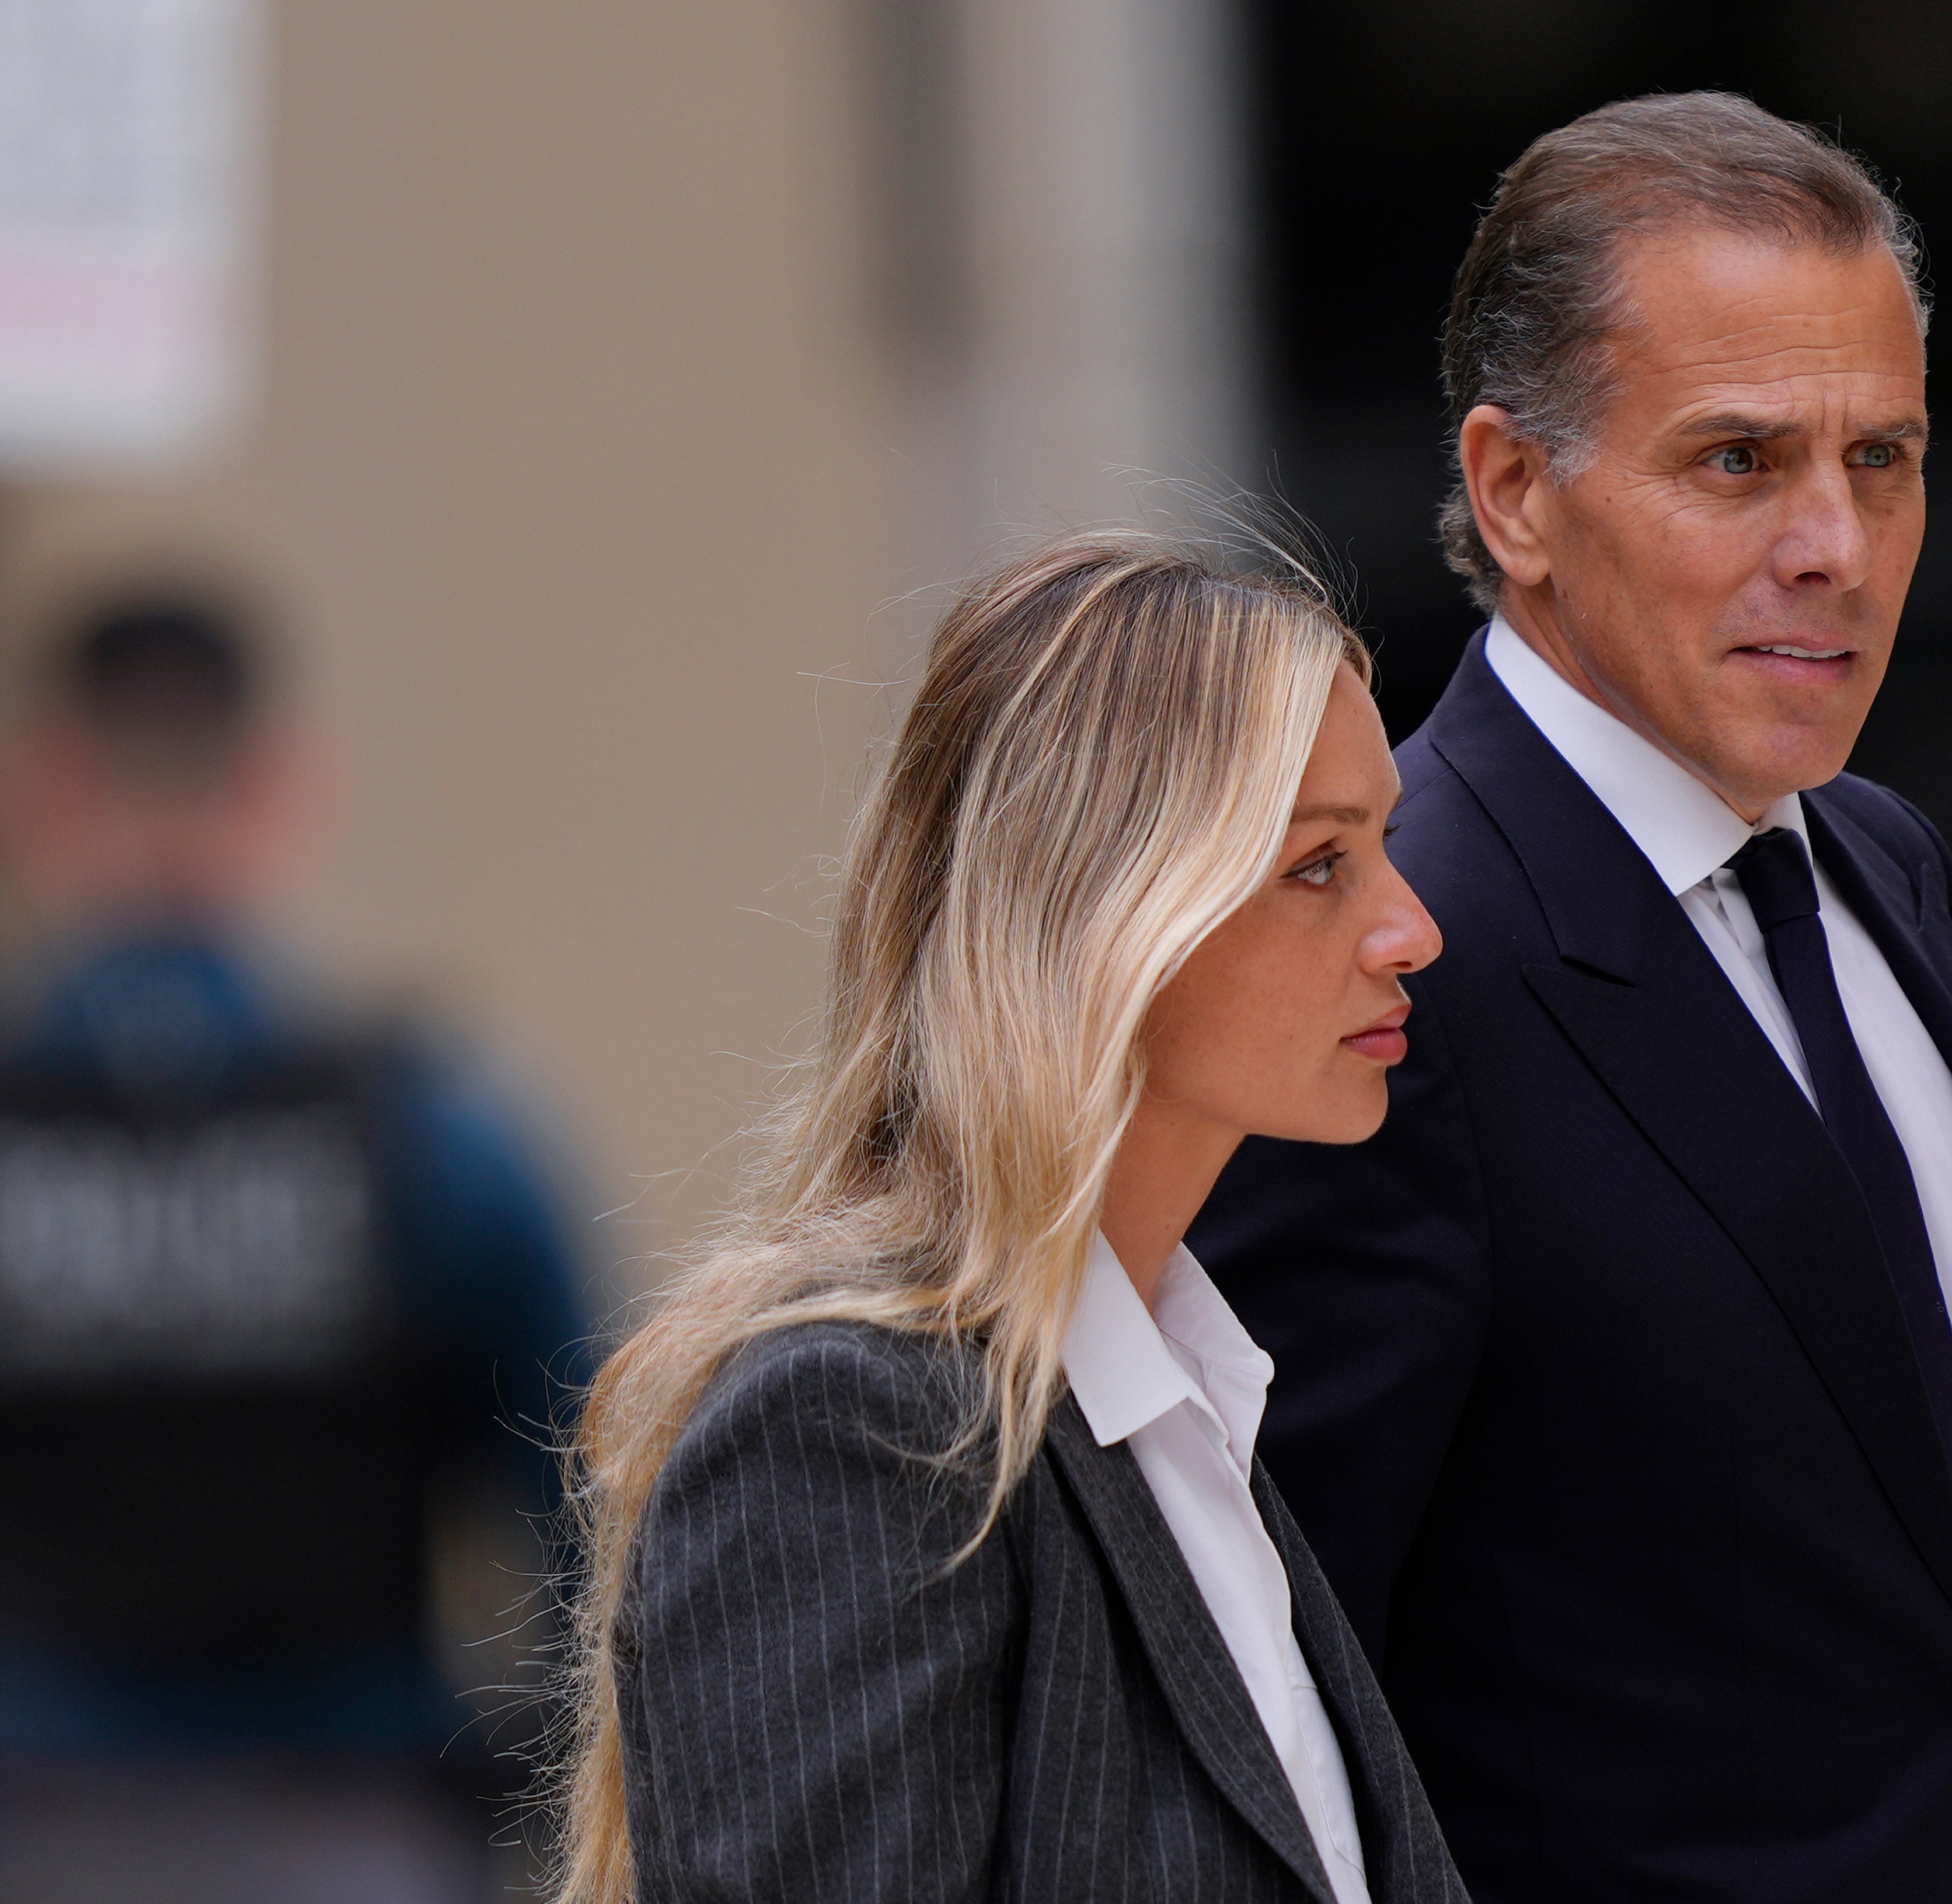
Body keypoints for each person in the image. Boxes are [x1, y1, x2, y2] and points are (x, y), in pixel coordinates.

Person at [1192, 95, 1952, 1904]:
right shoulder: (1386, 949)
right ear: (1517, 491)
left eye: (1885, 457)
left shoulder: (1879, 860)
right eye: (1741, 461)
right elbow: (1257, 1701)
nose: (1836, 541)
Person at [556, 533, 1465, 1904]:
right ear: (1107, 910)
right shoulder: (857, 1425)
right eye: (1318, 865)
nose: (1412, 927)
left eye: (1383, 842)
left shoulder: (1190, 1401)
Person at [0, 595, 588, 1902]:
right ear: (280, 783)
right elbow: (594, 1506)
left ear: (42, 787)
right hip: (352, 1831)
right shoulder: (431, 1133)